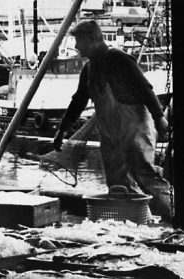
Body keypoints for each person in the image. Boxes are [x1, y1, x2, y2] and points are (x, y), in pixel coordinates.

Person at [51, 20, 173, 219]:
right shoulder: (89, 69)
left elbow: (145, 88)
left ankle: (173, 215)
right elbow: (78, 102)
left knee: (145, 174)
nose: (76, 46)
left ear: (92, 40)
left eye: (79, 41)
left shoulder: (118, 58)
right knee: (117, 182)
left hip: (135, 129)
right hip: (110, 132)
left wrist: (159, 117)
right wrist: (63, 130)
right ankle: (130, 219)